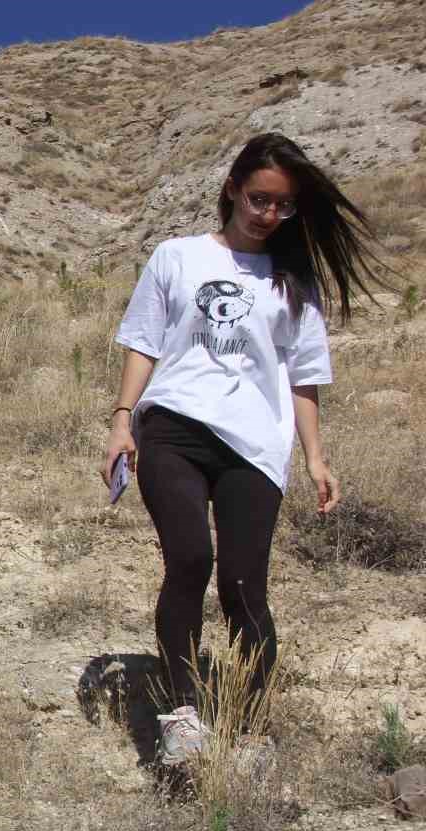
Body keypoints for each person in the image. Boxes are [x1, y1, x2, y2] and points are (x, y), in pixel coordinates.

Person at [102, 132, 390, 765]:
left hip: (254, 446)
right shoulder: (177, 256)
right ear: (232, 188)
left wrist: (315, 458)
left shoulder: (293, 284)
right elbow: (144, 341)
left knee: (242, 585)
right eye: (260, 199)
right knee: (188, 559)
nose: (269, 214)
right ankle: (182, 719)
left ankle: (251, 726)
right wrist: (124, 419)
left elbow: (303, 378)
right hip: (174, 426)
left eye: (283, 206)